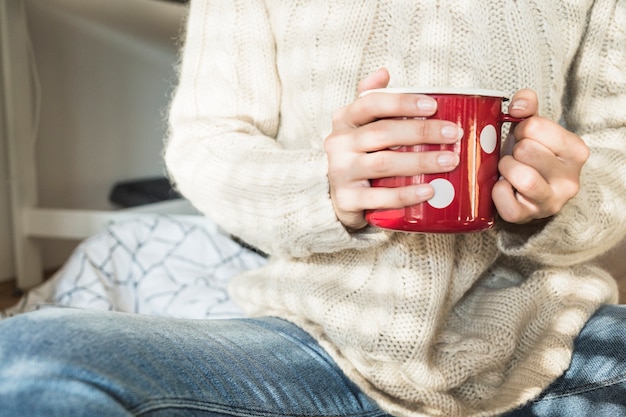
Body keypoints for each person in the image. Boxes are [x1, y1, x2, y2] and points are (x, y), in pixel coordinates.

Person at [1, 0, 625, 416]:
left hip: (543, 337)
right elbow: (206, 140)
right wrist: (322, 187)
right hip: (309, 343)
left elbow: (613, 161)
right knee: (30, 352)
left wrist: (551, 201)